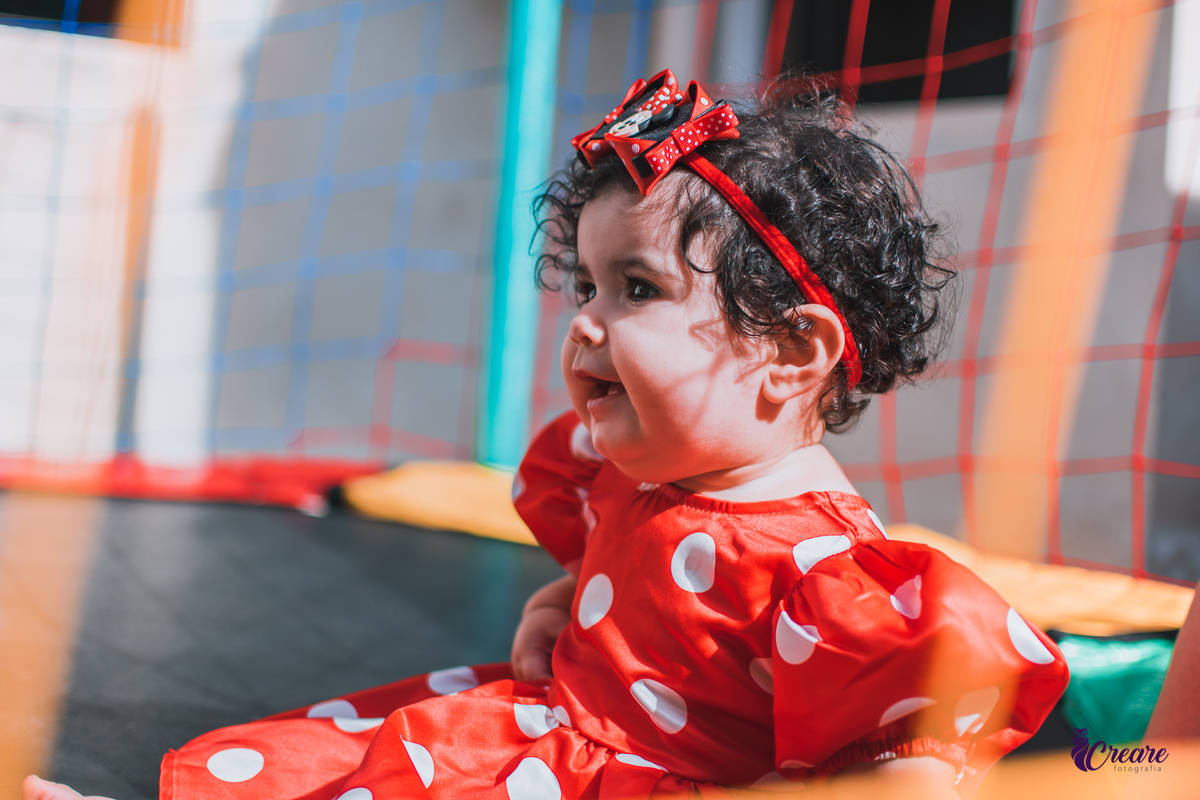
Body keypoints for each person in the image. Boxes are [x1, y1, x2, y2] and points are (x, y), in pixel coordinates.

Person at [23, 69, 1069, 800]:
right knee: (335, 761)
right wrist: (568, 605)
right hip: (536, 745)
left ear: (792, 352)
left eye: (638, 288)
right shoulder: (645, 473)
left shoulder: (827, 571)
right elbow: (642, 596)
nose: (585, 318)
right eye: (587, 282)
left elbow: (911, 752)